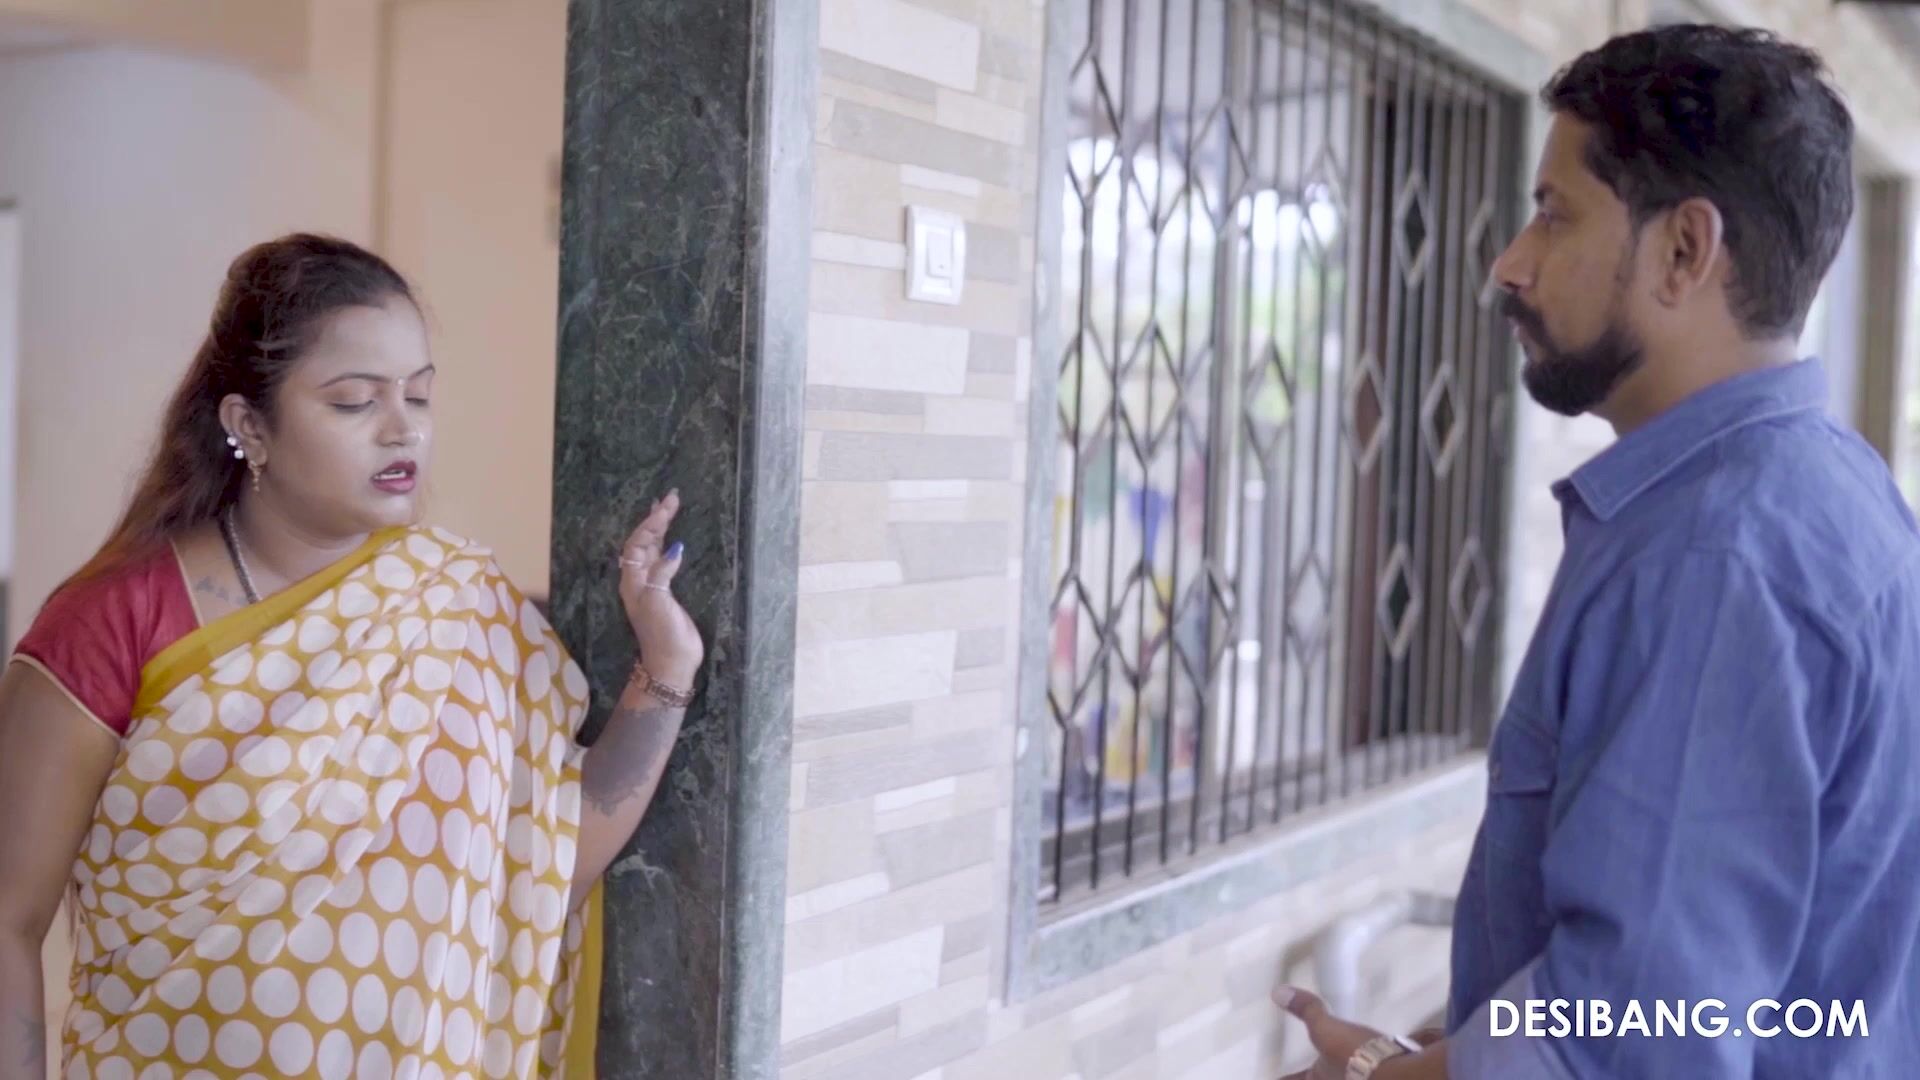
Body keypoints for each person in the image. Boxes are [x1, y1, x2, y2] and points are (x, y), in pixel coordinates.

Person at [1277, 24, 1920, 1078]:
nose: (1511, 263)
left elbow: (1630, 1034)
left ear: (1685, 250)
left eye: (1554, 212)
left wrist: (1374, 1075)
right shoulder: (1834, 490)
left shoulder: (1717, 558)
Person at [0, 234, 701, 1079]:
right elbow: (10, 917)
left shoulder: (459, 608)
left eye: (419, 395)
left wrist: (666, 667)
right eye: (354, 402)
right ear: (248, 425)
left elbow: (542, 866)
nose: (403, 429)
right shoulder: (116, 620)